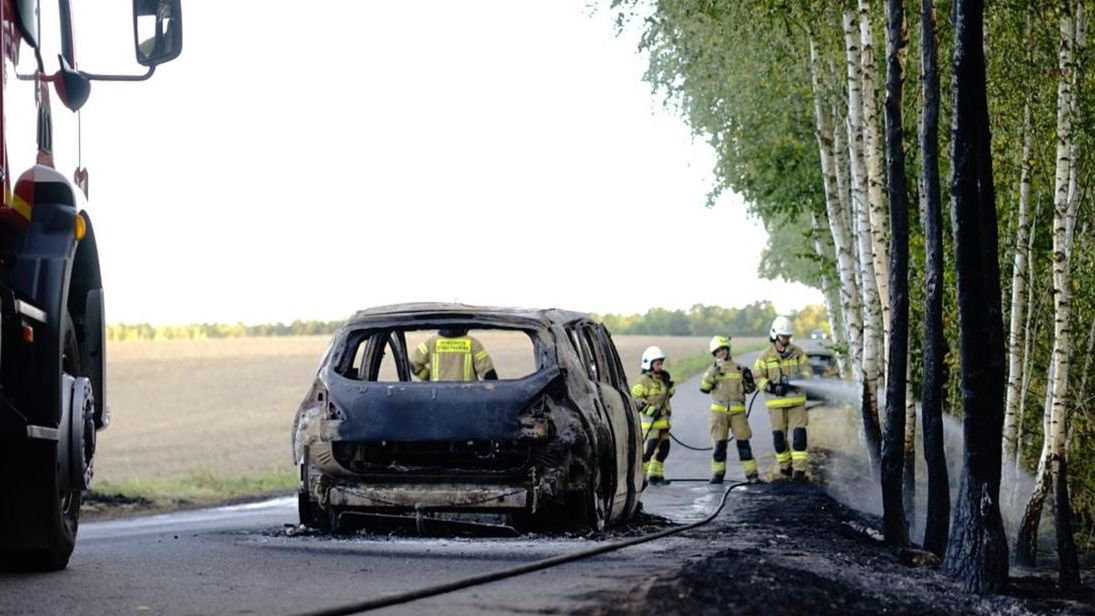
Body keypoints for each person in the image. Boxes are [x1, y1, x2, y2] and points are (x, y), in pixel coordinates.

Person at [753, 316, 813, 480]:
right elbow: (757, 377)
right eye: (783, 337)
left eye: (788, 337)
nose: (786, 340)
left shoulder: (798, 353)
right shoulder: (764, 356)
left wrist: (797, 379)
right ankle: (785, 467)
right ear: (774, 335)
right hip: (776, 405)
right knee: (779, 438)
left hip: (797, 402)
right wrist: (772, 387)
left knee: (799, 437)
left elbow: (808, 372)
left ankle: (799, 471)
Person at [699, 335, 758, 484]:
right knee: (720, 445)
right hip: (719, 414)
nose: (721, 353)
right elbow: (704, 388)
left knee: (743, 443)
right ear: (714, 353)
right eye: (718, 351)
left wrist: (749, 379)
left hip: (738, 413)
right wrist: (712, 374)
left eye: (723, 349)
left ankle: (752, 475)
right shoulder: (712, 370)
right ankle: (717, 475)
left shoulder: (739, 368)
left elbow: (749, 389)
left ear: (728, 350)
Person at [631, 346, 675, 486]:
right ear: (648, 363)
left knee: (663, 449)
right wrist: (649, 410)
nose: (660, 366)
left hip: (664, 423)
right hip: (651, 424)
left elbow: (666, 396)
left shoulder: (662, 379)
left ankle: (656, 476)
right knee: (648, 453)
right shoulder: (643, 380)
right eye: (657, 363)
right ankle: (640, 479)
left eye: (661, 363)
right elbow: (635, 399)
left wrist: (670, 387)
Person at [411, 327, 497, 381]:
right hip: (467, 398)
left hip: (438, 397)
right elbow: (489, 373)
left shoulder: (431, 342)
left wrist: (428, 378)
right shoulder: (473, 343)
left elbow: (413, 364)